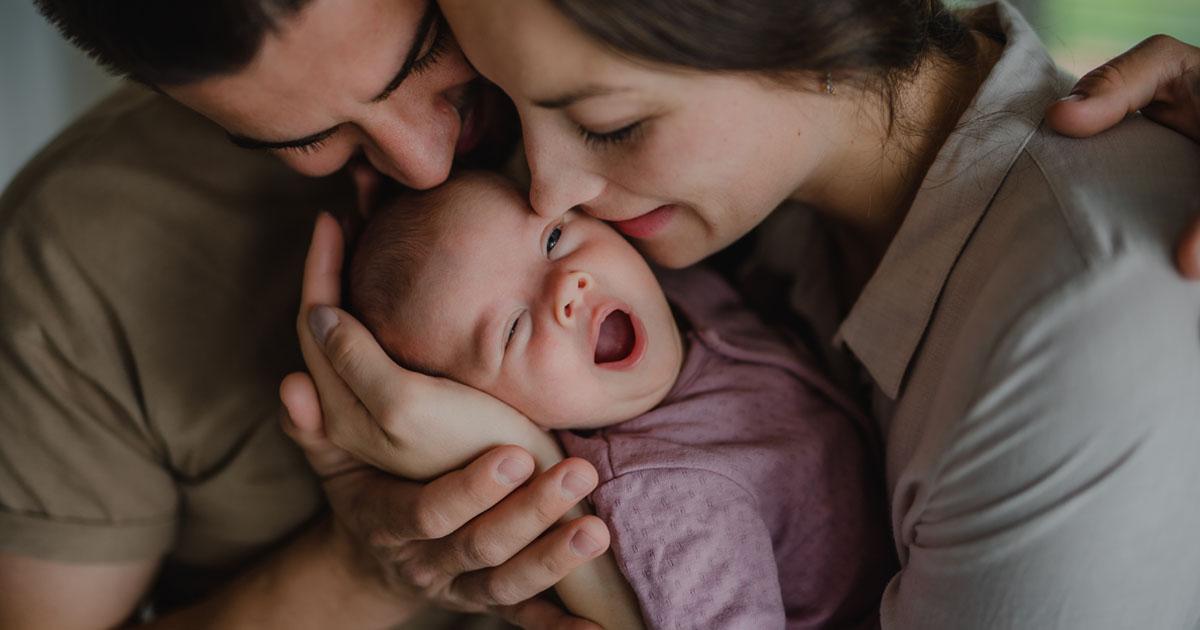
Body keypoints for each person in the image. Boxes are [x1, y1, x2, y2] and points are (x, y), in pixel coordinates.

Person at [1, 0, 1198, 626]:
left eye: (427, 49)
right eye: (310, 137)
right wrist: (378, 558)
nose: (428, 162)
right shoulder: (79, 251)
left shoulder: (725, 169)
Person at [346, 171, 895, 628]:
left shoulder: (674, 288)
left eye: (554, 239)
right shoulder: (665, 497)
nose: (567, 286)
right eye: (512, 329)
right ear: (497, 411)